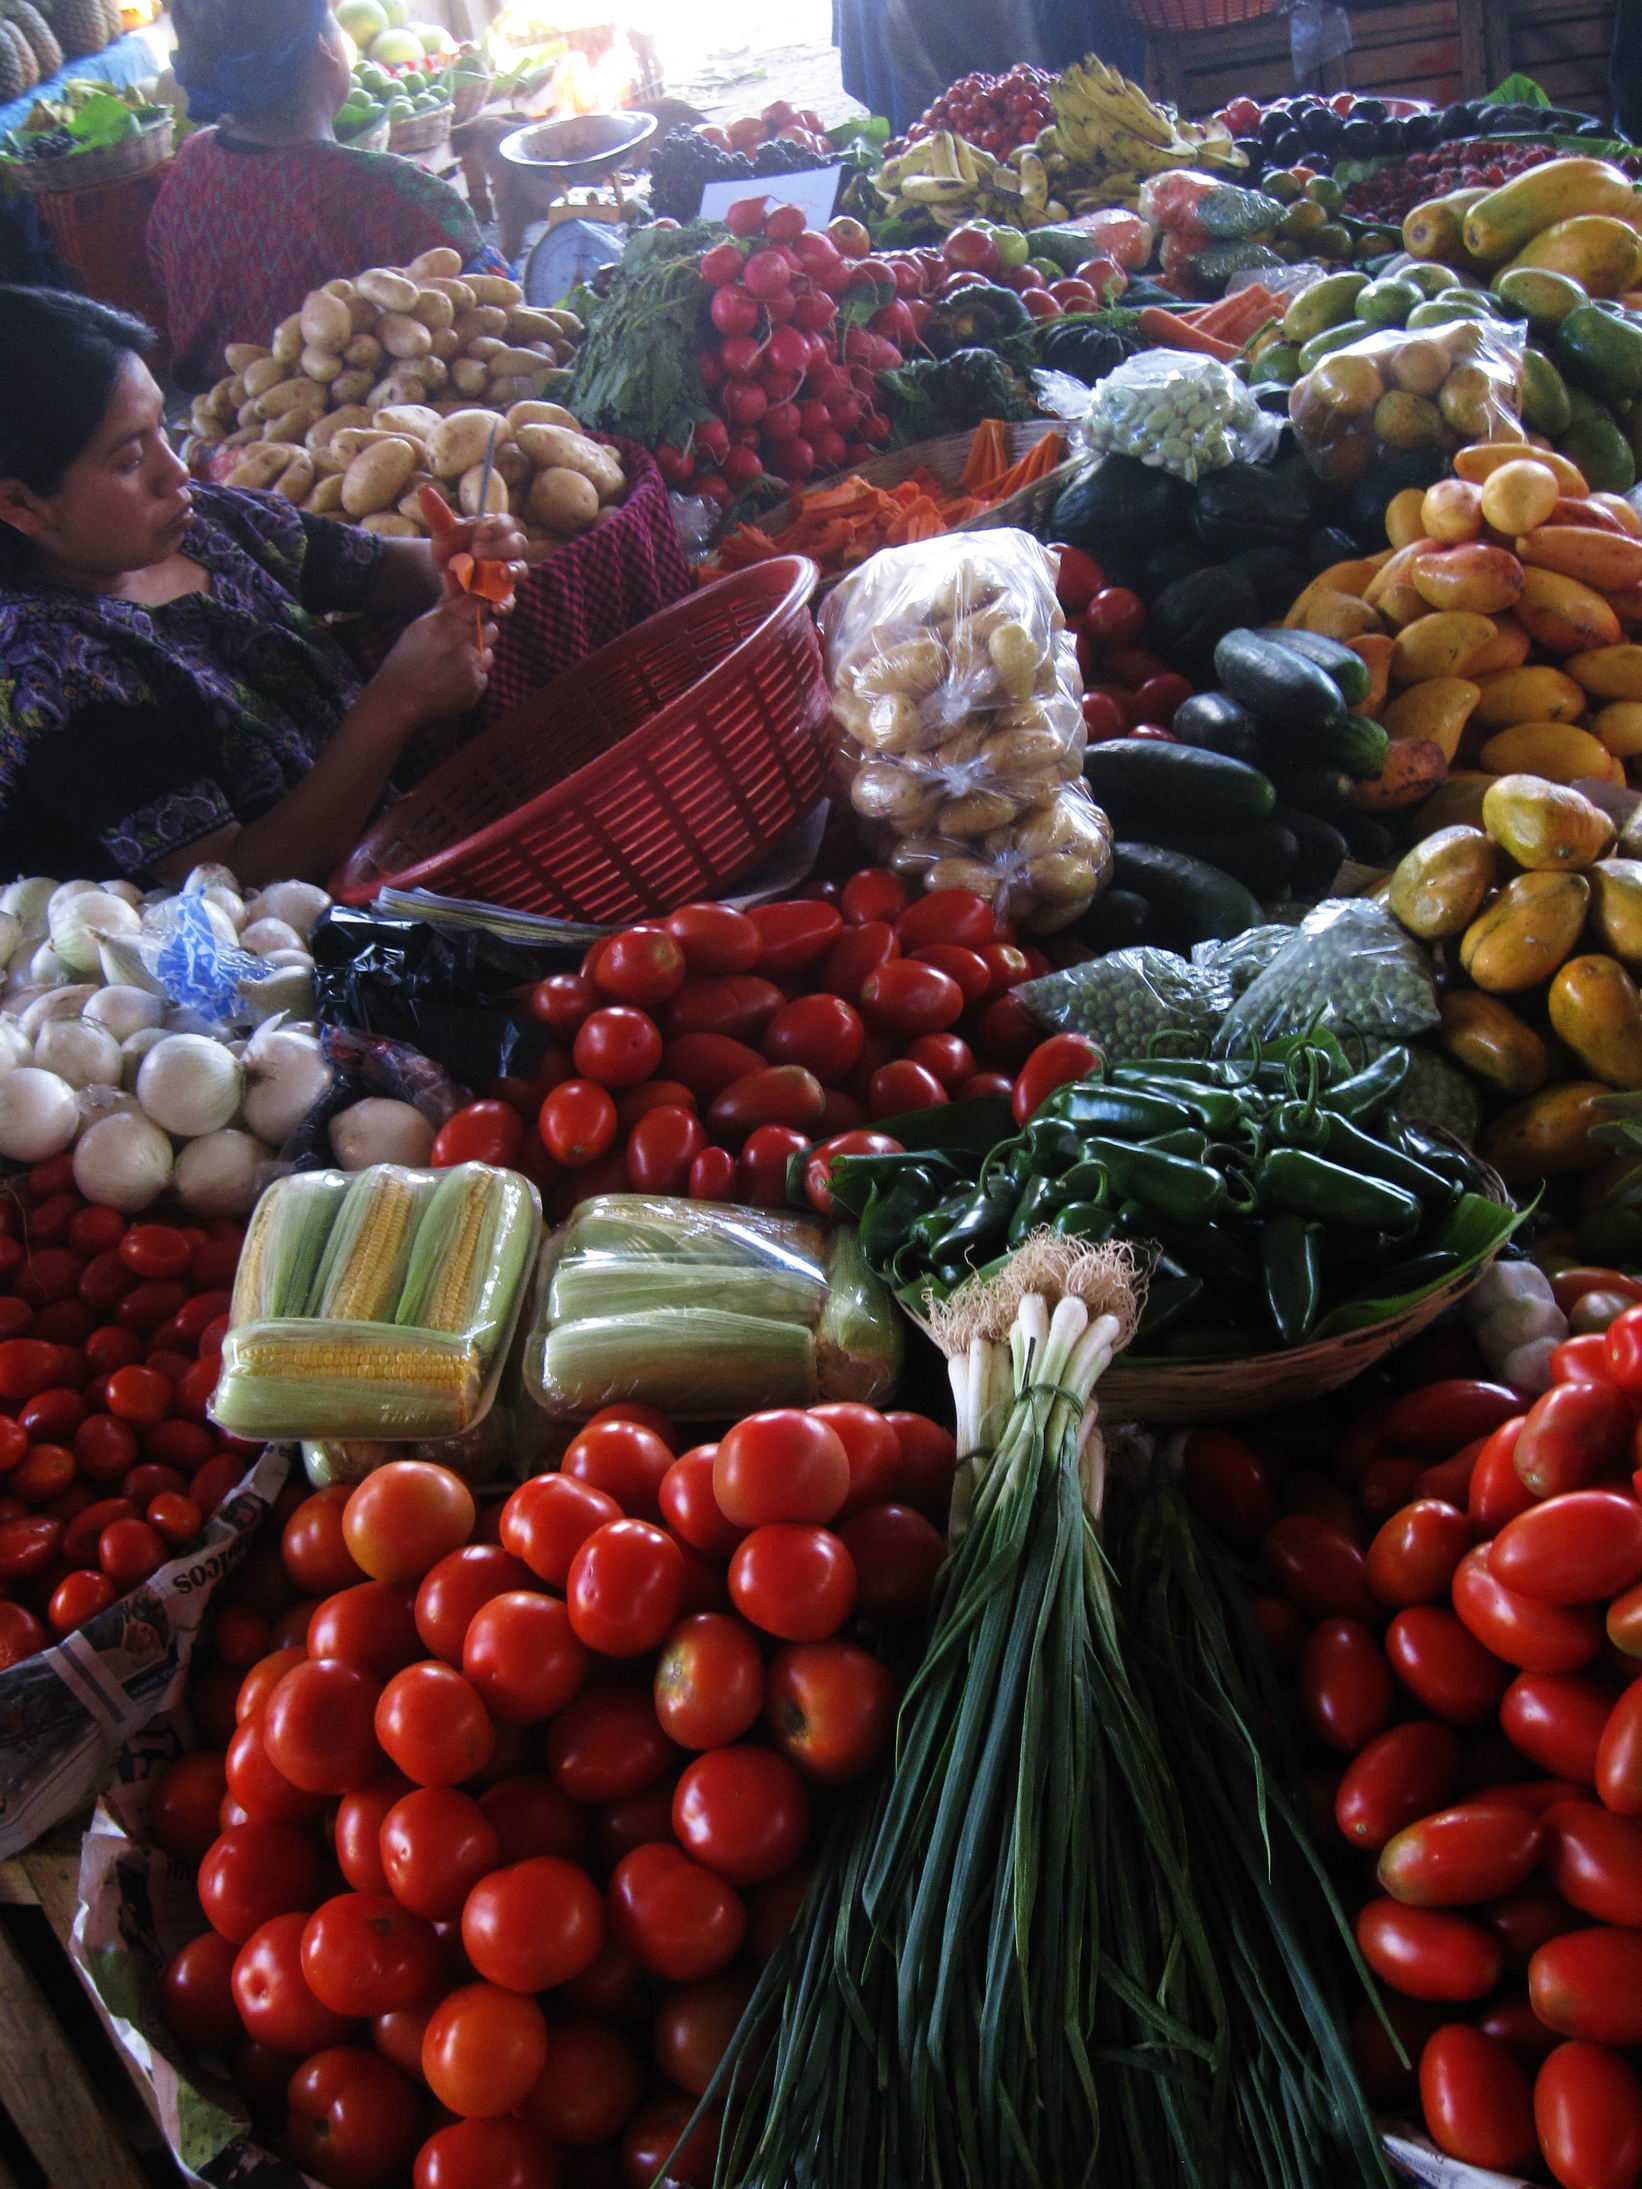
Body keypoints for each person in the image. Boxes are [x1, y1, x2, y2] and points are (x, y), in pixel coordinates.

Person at [0, 287, 525, 889]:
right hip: (296, 950)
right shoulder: (43, 671)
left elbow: (383, 570)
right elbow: (237, 879)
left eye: (162, 432)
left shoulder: (214, 525)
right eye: (127, 461)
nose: (175, 472)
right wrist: (394, 704)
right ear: (20, 503)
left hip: (408, 854)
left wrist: (461, 561)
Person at [149, 0, 512, 392]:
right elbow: (500, 315)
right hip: (372, 436)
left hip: (218, 422)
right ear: (325, 50)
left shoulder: (191, 162)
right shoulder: (392, 192)